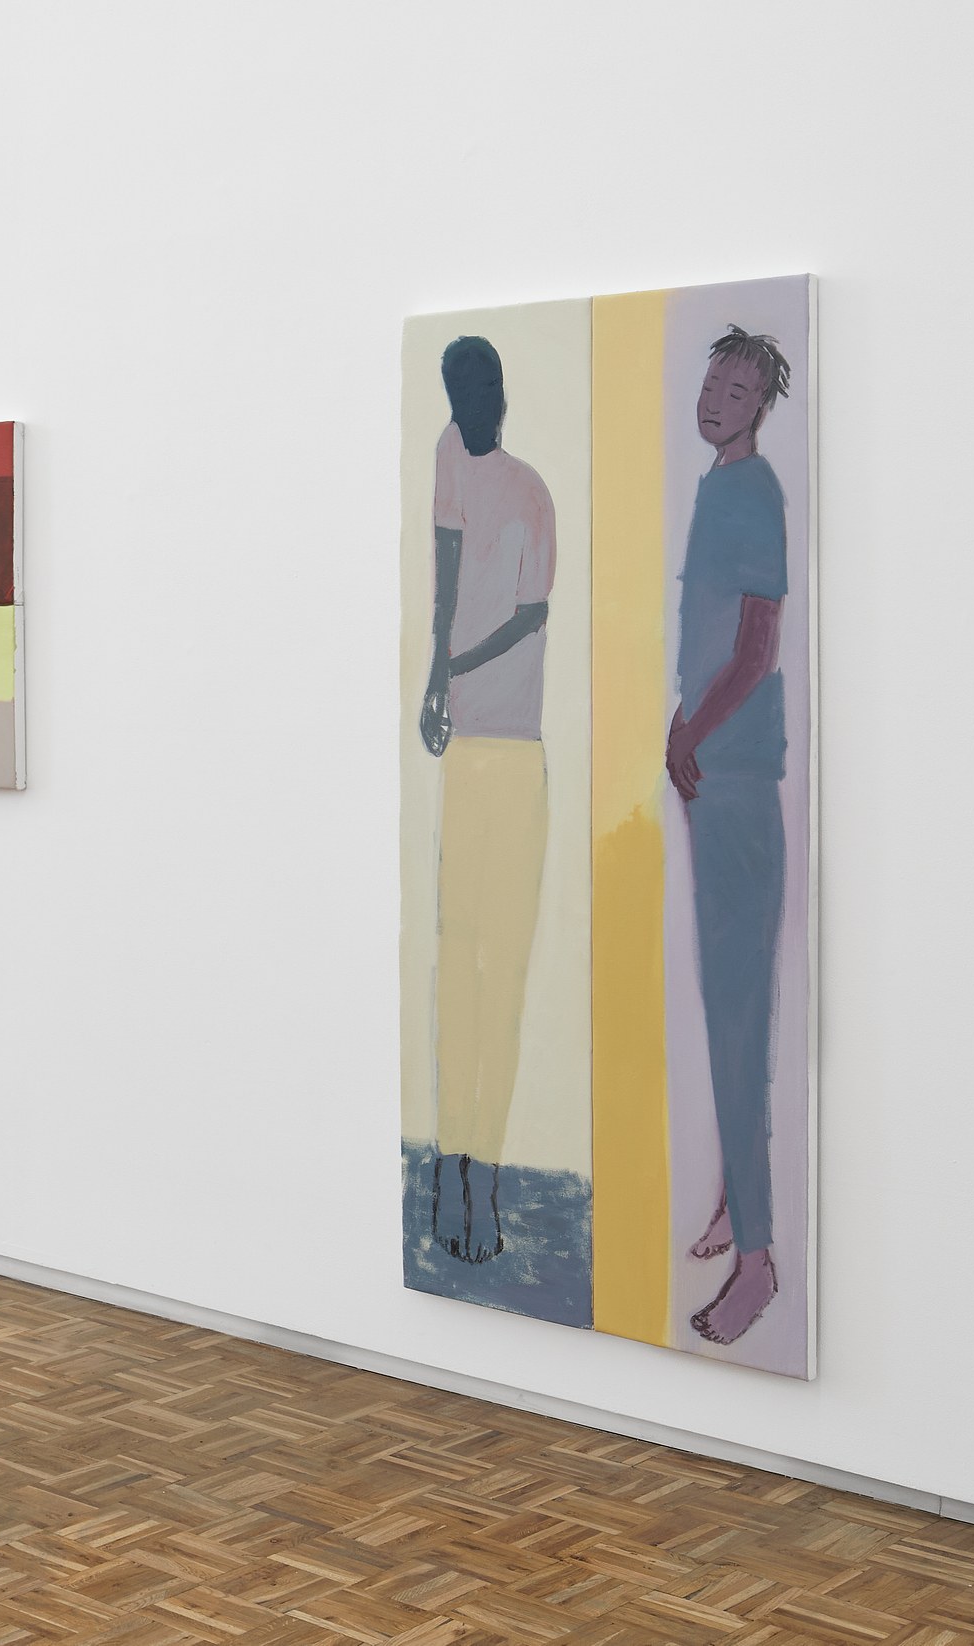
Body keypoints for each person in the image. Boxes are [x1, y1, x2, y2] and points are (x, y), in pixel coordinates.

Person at [418, 335, 557, 1267]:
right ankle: (449, 1170)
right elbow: (445, 580)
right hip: (468, 755)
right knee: (457, 971)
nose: (476, 405)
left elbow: (531, 615)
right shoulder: (449, 459)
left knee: (498, 978)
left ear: (501, 396)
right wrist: (434, 682)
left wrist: (454, 669)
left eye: (486, 390)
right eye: (462, 392)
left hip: (515, 755)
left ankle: (486, 1182)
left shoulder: (533, 491)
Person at [669, 326, 794, 1348]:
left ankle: (756, 1262)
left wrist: (689, 731)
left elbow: (754, 649)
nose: (717, 398)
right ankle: (732, 1202)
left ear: (761, 408)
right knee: (725, 1004)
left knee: (738, 1012)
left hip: (736, 774)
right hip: (715, 770)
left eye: (739, 390)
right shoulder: (718, 488)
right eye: (714, 380)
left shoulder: (751, 494)